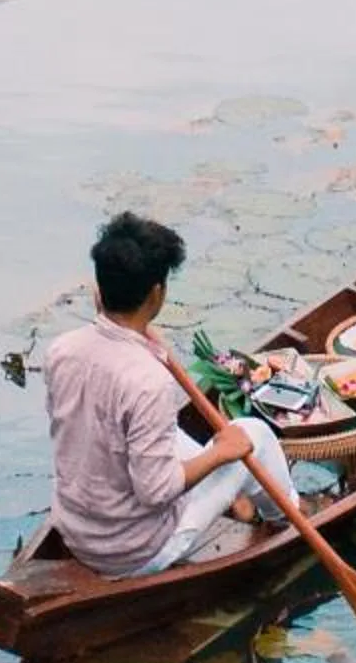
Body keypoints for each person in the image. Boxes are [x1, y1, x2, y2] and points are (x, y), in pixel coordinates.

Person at [42, 211, 294, 577]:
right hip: (136, 549)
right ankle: (286, 519)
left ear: (99, 289)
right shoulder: (148, 382)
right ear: (157, 294)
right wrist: (222, 454)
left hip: (75, 531)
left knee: (168, 435)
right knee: (252, 435)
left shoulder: (61, 351)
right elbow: (156, 492)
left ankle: (241, 496)